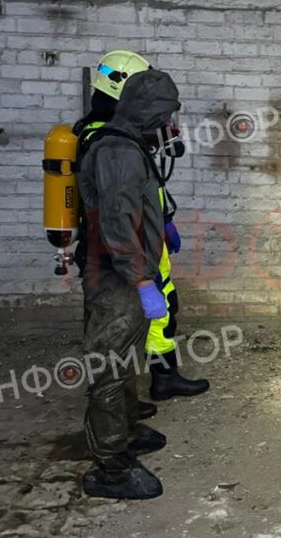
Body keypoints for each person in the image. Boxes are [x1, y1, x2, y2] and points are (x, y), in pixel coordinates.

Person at [74, 51, 209, 418]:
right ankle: (116, 426)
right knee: (118, 335)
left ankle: (150, 389)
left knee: (159, 311)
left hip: (142, 238)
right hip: (121, 250)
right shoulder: (110, 140)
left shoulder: (121, 132)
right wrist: (140, 274)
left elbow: (146, 186)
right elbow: (117, 211)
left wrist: (163, 221)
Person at [76, 68, 180, 499]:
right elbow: (117, 222)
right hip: (116, 277)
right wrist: (140, 281)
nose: (167, 123)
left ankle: (129, 427)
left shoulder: (131, 144)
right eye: (164, 114)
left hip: (127, 272)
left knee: (124, 356)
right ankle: (111, 468)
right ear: (145, 110)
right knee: (108, 367)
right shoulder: (117, 151)